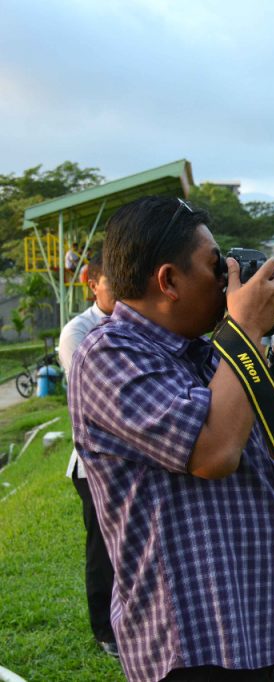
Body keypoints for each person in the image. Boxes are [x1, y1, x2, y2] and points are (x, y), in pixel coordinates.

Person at [68, 196, 274, 682]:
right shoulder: (108, 354)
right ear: (168, 280)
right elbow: (213, 452)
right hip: (188, 639)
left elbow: (234, 406)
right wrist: (244, 326)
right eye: (216, 268)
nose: (227, 282)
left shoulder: (199, 345)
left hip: (243, 619)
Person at [57, 250, 118, 659]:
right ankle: (104, 631)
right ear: (92, 284)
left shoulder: (143, 323)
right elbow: (99, 391)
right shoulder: (77, 331)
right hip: (94, 462)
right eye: (114, 280)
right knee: (102, 547)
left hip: (133, 460)